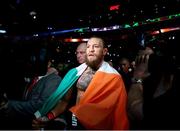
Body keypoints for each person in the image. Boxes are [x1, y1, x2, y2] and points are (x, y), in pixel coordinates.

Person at [32, 36, 129, 130]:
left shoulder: (114, 77)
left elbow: (116, 111)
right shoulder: (75, 73)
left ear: (104, 51)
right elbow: (64, 102)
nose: (91, 49)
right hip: (74, 120)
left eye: (95, 46)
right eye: (88, 47)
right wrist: (48, 117)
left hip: (96, 125)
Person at [0, 58, 62, 129]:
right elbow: (25, 99)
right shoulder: (36, 79)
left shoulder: (54, 79)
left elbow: (42, 105)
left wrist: (9, 104)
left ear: (49, 64)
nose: (33, 63)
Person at [128, 46, 180, 129]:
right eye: (140, 58)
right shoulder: (149, 81)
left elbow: (134, 111)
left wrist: (137, 76)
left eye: (146, 58)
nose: (142, 63)